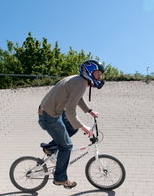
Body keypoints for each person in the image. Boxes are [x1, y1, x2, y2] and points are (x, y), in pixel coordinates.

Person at [38, 60, 105, 189]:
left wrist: (89, 111)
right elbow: (70, 111)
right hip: (49, 117)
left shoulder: (78, 80)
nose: (100, 77)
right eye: (97, 74)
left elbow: (77, 97)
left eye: (101, 74)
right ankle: (60, 178)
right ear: (89, 72)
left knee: (72, 128)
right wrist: (84, 127)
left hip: (50, 112)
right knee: (67, 146)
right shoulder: (80, 83)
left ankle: (51, 147)